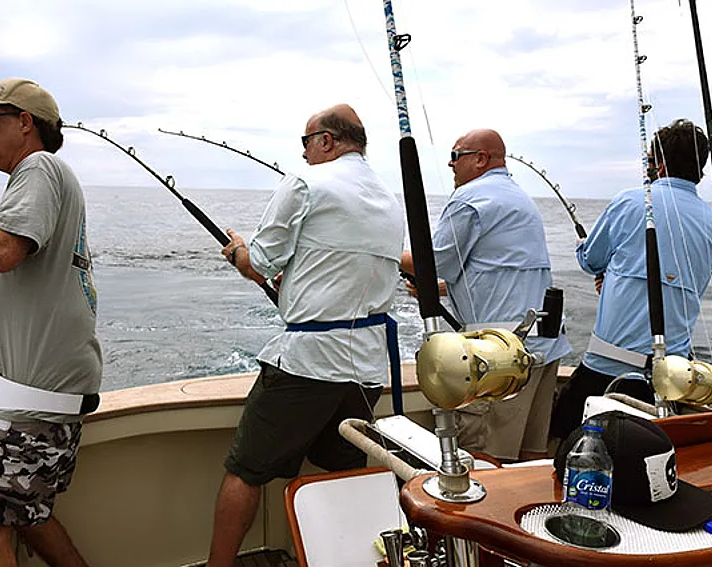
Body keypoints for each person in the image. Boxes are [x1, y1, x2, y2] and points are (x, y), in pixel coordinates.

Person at [208, 104, 404, 567]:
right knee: (342, 469)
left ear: (327, 141)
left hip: (308, 365)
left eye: (306, 143)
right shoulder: (387, 199)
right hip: (367, 368)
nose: (303, 153)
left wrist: (237, 250)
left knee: (246, 470)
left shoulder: (304, 183)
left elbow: (258, 263)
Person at [0, 78, 101, 567]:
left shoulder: (39, 168)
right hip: (54, 398)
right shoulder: (56, 181)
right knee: (28, 516)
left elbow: (2, 251)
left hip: (36, 404)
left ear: (25, 123)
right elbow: (16, 291)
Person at [401, 129, 571, 462]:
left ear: (480, 159)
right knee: (528, 458)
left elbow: (430, 261)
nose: (450, 165)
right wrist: (443, 289)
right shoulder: (520, 198)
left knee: (483, 460)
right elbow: (501, 269)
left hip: (499, 356)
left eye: (455, 155)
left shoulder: (470, 198)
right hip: (544, 347)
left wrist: (383, 251)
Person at [550, 119, 712, 440]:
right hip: (672, 378)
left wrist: (588, 254)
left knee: (563, 439)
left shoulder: (630, 200)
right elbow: (679, 281)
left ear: (659, 164)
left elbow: (590, 260)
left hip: (607, 369)